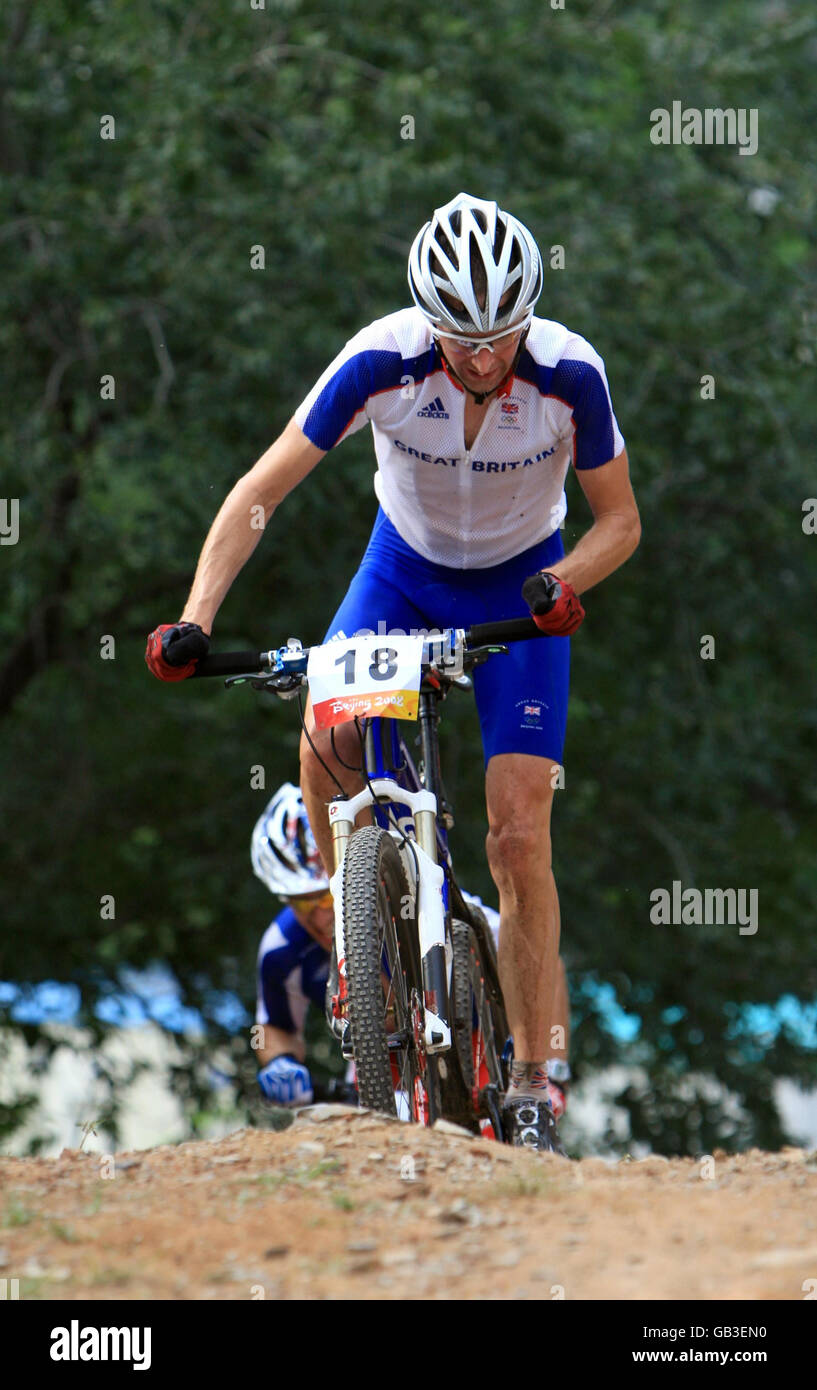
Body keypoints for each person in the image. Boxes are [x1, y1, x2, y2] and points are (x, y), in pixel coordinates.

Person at [146, 192, 639, 1153]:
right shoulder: (380, 359)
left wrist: (565, 582)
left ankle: (531, 1077)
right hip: (402, 575)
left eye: (500, 335)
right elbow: (260, 491)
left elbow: (619, 521)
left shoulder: (570, 373)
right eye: (461, 339)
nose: (483, 358)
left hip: (519, 589)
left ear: (529, 316)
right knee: (322, 738)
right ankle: (360, 956)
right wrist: (196, 619)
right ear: (426, 319)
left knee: (517, 833)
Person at [251, 783, 572, 1120]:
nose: (321, 917)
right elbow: (276, 1028)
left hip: (478, 1046)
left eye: (328, 896)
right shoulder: (281, 947)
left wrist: (554, 1073)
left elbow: (545, 967)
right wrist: (280, 1064)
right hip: (383, 1058)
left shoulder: (417, 903)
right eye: (304, 904)